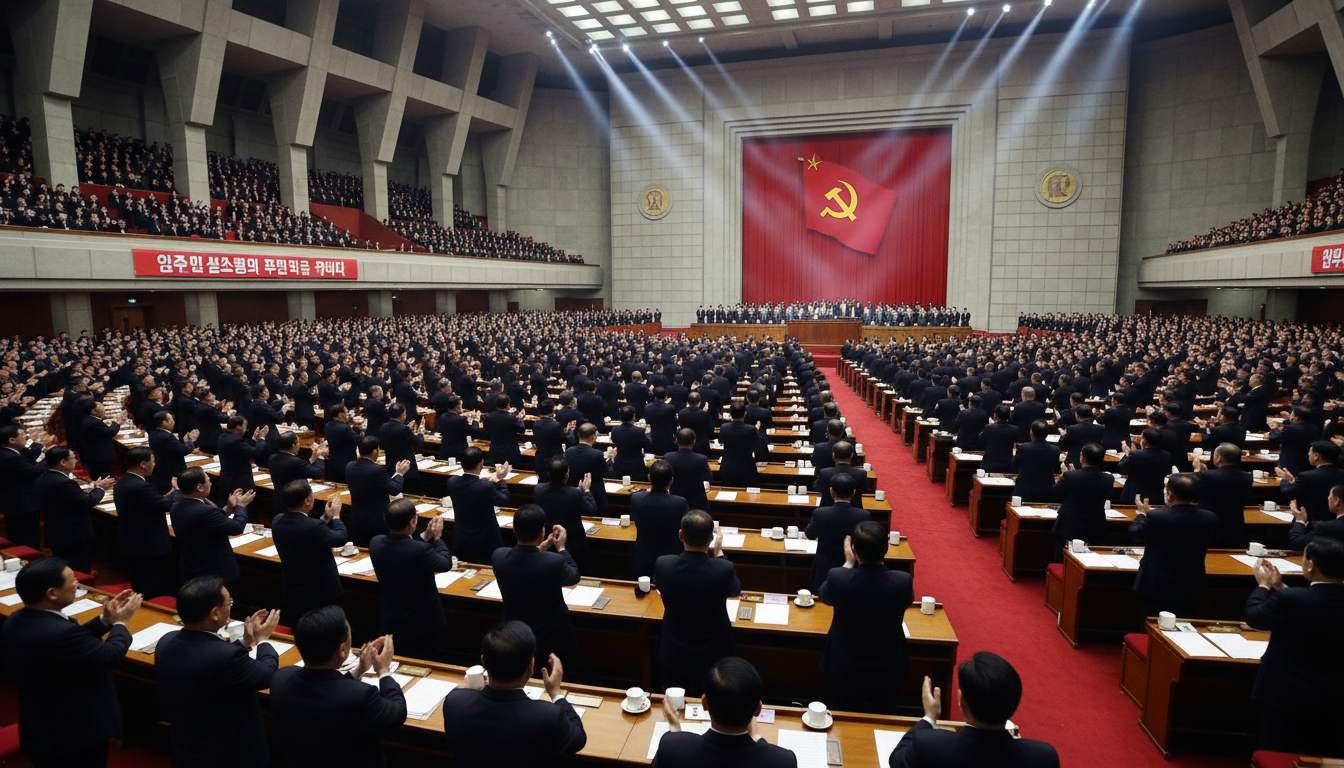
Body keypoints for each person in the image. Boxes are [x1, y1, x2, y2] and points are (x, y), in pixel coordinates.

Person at [0, 558, 143, 768]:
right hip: (73, 735)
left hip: (44, 727)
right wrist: (121, 623)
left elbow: (71, 645)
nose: (77, 583)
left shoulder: (18, 619)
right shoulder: (58, 633)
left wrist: (106, 621)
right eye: (72, 580)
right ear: (52, 593)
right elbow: (110, 655)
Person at [155, 576, 282, 768]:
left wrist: (245, 642)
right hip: (229, 755)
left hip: (188, 748)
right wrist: (263, 640)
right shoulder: (226, 657)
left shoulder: (166, 641)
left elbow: (207, 657)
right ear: (214, 613)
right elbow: (267, 675)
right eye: (229, 602)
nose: (231, 606)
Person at [269, 607, 406, 768]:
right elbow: (398, 712)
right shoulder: (359, 696)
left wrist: (360, 669)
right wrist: (383, 671)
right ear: (342, 650)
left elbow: (330, 687)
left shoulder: (280, 679)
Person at [1244, 538, 1344, 757]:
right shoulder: (1291, 597)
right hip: (1335, 700)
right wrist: (1280, 587)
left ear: (1311, 566)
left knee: (1277, 755)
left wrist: (1263, 586)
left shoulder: (1290, 599)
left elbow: (1255, 617)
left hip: (1285, 696)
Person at [441, 621, 587, 767]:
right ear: (531, 667)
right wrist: (556, 693)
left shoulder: (454, 702)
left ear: (483, 662)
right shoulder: (548, 716)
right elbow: (578, 738)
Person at [889, 652, 1060, 768]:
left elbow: (896, 760)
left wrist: (929, 718)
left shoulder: (929, 744)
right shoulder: (1044, 758)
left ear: (961, 700)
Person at [818, 521, 913, 714]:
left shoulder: (839, 577)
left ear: (853, 549)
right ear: (886, 549)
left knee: (843, 719)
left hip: (845, 667)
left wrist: (847, 563)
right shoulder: (902, 581)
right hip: (887, 667)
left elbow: (824, 595)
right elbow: (907, 601)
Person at [655, 509, 741, 695]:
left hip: (674, 649)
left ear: (680, 535)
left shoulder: (664, 565)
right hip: (714, 651)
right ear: (711, 539)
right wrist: (719, 552)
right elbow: (735, 591)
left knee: (676, 701)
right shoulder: (723, 568)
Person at [653, 657, 797, 767]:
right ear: (758, 709)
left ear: (704, 703)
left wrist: (675, 728)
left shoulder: (671, 746)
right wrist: (757, 739)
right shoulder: (784, 762)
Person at [492, 503, 581, 669]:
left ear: (514, 529)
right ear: (542, 532)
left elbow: (525, 558)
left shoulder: (499, 556)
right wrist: (560, 547)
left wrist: (542, 546)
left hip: (515, 635)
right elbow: (573, 576)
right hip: (551, 637)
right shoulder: (554, 561)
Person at [369, 498, 454, 660]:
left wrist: (425, 536)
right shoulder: (421, 550)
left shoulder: (375, 543)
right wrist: (437, 538)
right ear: (413, 521)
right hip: (422, 622)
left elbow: (406, 549)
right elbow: (445, 563)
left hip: (391, 618)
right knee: (422, 661)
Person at [1129, 473, 1219, 619]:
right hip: (1191, 584)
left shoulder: (1157, 516)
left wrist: (1141, 514)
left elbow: (1135, 534)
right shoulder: (1210, 518)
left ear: (1169, 495)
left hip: (1156, 584)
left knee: (1151, 629)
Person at [273, 479, 349, 622]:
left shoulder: (277, 520)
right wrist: (336, 516)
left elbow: (308, 532)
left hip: (293, 588)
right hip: (319, 591)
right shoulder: (313, 527)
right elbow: (341, 537)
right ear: (307, 501)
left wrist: (326, 517)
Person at [171, 467, 254, 584]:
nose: (210, 483)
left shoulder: (176, 507)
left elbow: (211, 521)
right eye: (208, 480)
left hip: (192, 567)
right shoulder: (205, 511)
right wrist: (240, 507)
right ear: (199, 487)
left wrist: (229, 507)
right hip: (213, 571)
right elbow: (236, 527)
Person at [113, 446, 178, 597]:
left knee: (140, 588)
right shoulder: (142, 486)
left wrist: (173, 491)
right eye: (153, 461)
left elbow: (155, 501)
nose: (154, 465)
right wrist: (181, 491)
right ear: (143, 464)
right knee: (153, 590)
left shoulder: (123, 482)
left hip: (133, 544)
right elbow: (168, 505)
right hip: (149, 547)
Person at [37, 446, 113, 573]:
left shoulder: (43, 478)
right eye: (72, 458)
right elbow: (87, 502)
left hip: (56, 533)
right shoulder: (64, 482)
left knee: (64, 569)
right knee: (79, 570)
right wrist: (100, 489)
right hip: (73, 535)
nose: (75, 461)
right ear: (63, 462)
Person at [804, 472, 871, 592]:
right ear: (854, 493)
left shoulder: (820, 513)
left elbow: (809, 535)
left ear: (831, 491)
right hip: (853, 568)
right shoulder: (864, 515)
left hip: (824, 566)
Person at [445, 446, 512, 564]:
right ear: (481, 463)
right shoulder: (486, 487)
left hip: (462, 538)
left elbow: (471, 486)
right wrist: (501, 479)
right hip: (486, 541)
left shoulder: (452, 482)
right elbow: (504, 500)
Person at [1049, 443, 1114, 561]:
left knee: (1062, 560)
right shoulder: (1108, 479)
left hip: (1069, 525)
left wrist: (1064, 475)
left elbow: (1055, 492)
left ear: (1082, 458)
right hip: (1095, 525)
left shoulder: (1070, 476)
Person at [533, 456, 597, 572]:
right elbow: (592, 510)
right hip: (573, 542)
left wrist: (578, 492)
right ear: (567, 476)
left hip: (549, 540)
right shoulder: (575, 494)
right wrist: (586, 490)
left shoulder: (538, 490)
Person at [346, 436, 411, 547]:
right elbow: (395, 489)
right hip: (376, 520)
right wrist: (400, 474)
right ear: (375, 451)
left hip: (357, 518)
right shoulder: (377, 470)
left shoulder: (350, 466)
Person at [631, 459, 690, 578]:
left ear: (649, 478)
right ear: (672, 481)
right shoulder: (679, 503)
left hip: (643, 557)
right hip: (671, 560)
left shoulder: (636, 499)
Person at [1192, 443, 1254, 549]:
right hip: (1235, 524)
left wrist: (1197, 470)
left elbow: (1194, 488)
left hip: (1211, 525)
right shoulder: (1248, 477)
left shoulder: (1207, 476)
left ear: (1219, 457)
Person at [0, 424, 47, 549]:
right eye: (22, 435)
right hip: (22, 505)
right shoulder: (11, 457)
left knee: (19, 537)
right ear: (12, 440)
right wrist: (50, 457)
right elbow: (34, 471)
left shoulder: (8, 453)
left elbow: (28, 457)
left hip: (13, 503)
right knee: (27, 541)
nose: (25, 438)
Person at [1279, 440, 1344, 522]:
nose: (1308, 455)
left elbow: (1286, 493)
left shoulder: (1306, 476)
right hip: (1337, 520)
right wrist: (1292, 480)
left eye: (1310, 452)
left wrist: (1285, 479)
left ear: (1316, 456)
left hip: (1311, 521)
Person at [267, 430, 328, 516]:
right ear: (293, 445)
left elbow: (296, 469)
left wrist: (313, 457)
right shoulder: (295, 462)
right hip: (295, 504)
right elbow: (317, 473)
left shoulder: (272, 458)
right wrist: (320, 456)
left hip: (278, 501)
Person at [565, 422, 615, 513]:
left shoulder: (568, 451)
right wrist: (609, 459)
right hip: (593, 494)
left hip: (573, 492)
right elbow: (607, 473)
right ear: (593, 437)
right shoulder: (597, 454)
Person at [1115, 428, 1173, 507]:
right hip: (1156, 496)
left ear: (1144, 440)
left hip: (1134, 495)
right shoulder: (1167, 455)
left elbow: (1122, 469)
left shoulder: (1135, 455)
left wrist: (1127, 454)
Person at [1011, 421, 1061, 503]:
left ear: (1031, 432)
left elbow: (1014, 465)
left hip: (1025, 491)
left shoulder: (1023, 448)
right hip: (1046, 491)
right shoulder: (1055, 450)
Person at [149, 410, 198, 493]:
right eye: (171, 420)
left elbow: (174, 449)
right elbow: (184, 450)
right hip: (172, 472)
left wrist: (185, 442)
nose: (174, 422)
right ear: (164, 422)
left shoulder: (153, 434)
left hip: (161, 469)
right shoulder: (167, 436)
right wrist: (191, 441)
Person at [665, 427, 712, 511]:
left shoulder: (668, 457)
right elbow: (708, 478)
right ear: (694, 441)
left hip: (674, 500)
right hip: (697, 503)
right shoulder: (701, 459)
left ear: (676, 441)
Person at [217, 417, 266, 496]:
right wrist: (262, 438)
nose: (245, 431)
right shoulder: (235, 441)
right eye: (245, 428)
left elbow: (242, 447)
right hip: (238, 482)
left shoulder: (222, 437)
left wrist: (254, 439)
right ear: (238, 428)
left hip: (227, 479)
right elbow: (256, 453)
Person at [812, 441, 868, 509]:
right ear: (851, 456)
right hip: (854, 509)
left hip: (828, 509)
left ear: (833, 456)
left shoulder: (824, 473)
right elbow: (865, 490)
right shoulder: (861, 474)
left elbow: (816, 488)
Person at [77, 398, 120, 480]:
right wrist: (118, 423)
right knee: (103, 477)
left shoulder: (86, 419)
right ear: (92, 411)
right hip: (99, 456)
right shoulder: (93, 422)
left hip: (93, 454)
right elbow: (110, 432)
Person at [718, 403, 760, 487]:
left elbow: (720, 441)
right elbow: (757, 446)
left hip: (728, 467)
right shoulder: (751, 429)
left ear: (730, 414)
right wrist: (756, 430)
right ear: (745, 414)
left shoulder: (724, 427)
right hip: (746, 467)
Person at [611, 406, 653, 482]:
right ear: (634, 416)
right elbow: (649, 446)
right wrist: (648, 434)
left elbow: (614, 441)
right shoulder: (640, 431)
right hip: (636, 466)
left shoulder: (614, 430)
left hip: (619, 465)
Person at [485, 394, 527, 466]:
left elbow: (486, 431)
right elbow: (522, 430)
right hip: (509, 453)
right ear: (508, 405)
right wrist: (520, 418)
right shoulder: (511, 418)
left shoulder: (489, 417)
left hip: (495, 452)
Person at [324, 405, 360, 483]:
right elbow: (358, 440)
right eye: (346, 412)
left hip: (333, 462)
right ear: (340, 414)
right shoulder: (344, 428)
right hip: (346, 463)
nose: (348, 414)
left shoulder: (327, 426)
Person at [980, 405, 1018, 474]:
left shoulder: (988, 428)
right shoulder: (1014, 429)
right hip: (1007, 465)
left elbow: (982, 441)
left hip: (989, 464)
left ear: (995, 415)